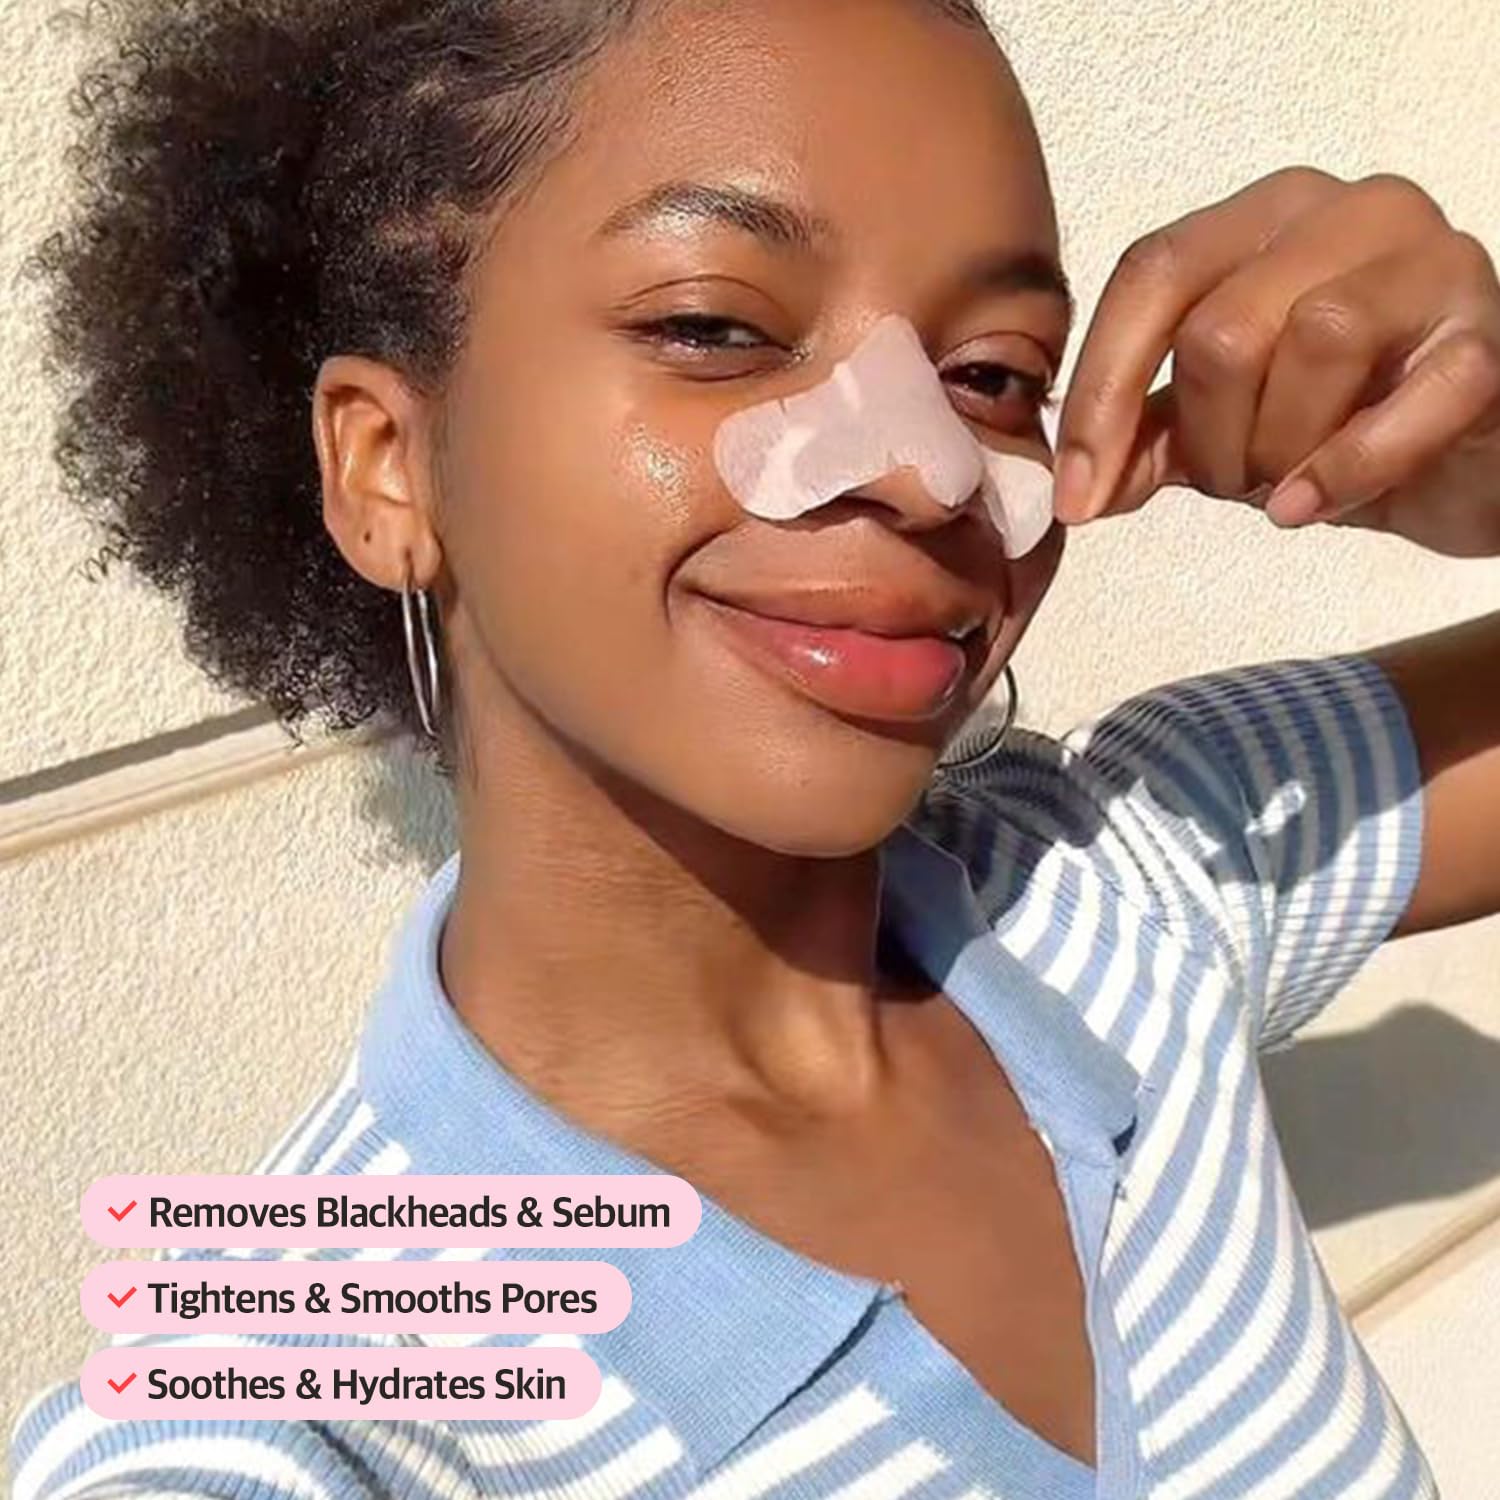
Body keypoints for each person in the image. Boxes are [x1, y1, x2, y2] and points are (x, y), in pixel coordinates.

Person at [9, 0, 1500, 1496]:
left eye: (994, 374)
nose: (929, 471)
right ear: (389, 468)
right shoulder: (317, 1385)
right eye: (715, 329)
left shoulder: (1128, 877)